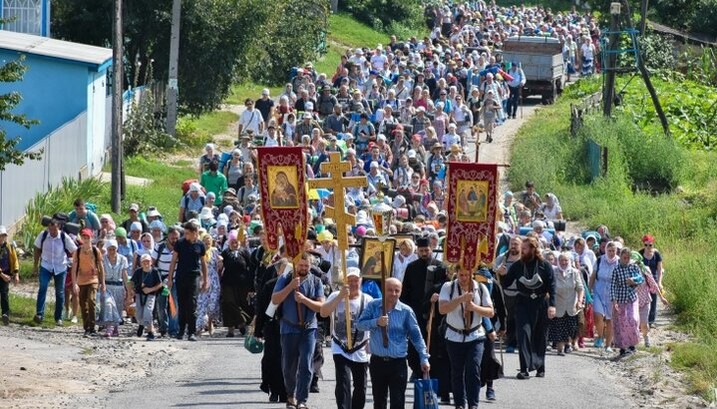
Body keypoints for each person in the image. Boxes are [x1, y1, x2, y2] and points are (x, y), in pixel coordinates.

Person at [356, 277, 430, 409]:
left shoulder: (406, 311)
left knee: (397, 402)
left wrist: (424, 358)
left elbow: (416, 336)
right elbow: (359, 325)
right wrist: (376, 322)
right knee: (379, 401)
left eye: (397, 290)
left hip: (398, 363)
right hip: (377, 362)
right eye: (390, 290)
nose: (393, 293)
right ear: (384, 290)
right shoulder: (373, 306)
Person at [271, 253, 325, 409]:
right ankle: (290, 396)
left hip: (308, 328)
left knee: (306, 365)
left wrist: (304, 300)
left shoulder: (316, 281)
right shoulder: (286, 278)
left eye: (306, 265)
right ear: (296, 265)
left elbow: (321, 307)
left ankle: (302, 399)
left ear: (311, 265)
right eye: (300, 265)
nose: (303, 268)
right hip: (289, 328)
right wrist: (290, 287)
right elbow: (275, 300)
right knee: (289, 365)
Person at [498, 236, 556, 379]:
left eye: (524, 249)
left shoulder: (545, 265)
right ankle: (524, 369)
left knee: (540, 336)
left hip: (541, 303)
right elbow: (506, 284)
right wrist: (502, 275)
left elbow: (552, 286)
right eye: (521, 248)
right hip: (523, 303)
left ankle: (540, 366)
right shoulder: (518, 265)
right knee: (523, 334)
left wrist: (552, 306)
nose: (521, 251)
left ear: (532, 249)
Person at [438, 266, 494, 409]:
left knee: (473, 370)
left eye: (466, 275)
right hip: (454, 336)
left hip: (475, 336)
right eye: (461, 275)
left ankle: (473, 404)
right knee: (457, 372)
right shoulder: (448, 287)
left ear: (472, 274)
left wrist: (474, 307)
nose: (463, 278)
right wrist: (461, 299)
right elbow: (442, 309)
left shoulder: (480, 288)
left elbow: (490, 312)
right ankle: (460, 404)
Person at [320, 268, 373, 409]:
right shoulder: (335, 295)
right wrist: (340, 297)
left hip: (360, 346)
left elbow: (373, 323)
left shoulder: (367, 299)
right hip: (340, 346)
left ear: (361, 281)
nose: (353, 283)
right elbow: (323, 313)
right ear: (345, 281)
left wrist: (371, 343)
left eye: (356, 280)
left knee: (360, 386)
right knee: (343, 381)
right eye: (350, 280)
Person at [400, 236, 447, 382]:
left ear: (431, 249)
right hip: (416, 310)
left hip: (435, 311)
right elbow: (405, 291)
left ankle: (433, 371)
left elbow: (445, 287)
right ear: (417, 251)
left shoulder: (440, 267)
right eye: (421, 251)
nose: (424, 253)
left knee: (433, 343)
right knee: (414, 343)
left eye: (426, 250)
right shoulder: (412, 267)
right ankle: (416, 369)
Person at [33, 214, 78, 325]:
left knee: (60, 292)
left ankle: (58, 317)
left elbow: (74, 250)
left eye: (54, 229)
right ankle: (39, 314)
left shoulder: (64, 237)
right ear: (48, 228)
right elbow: (37, 249)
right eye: (50, 229)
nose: (52, 232)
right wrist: (35, 265)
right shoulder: (43, 235)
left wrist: (72, 261)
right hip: (46, 265)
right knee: (43, 287)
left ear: (59, 228)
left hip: (60, 267)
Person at [167, 222, 209, 341]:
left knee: (192, 304)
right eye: (184, 233)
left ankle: (192, 332)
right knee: (182, 304)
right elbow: (174, 260)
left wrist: (205, 280)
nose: (185, 235)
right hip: (181, 277)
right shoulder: (180, 243)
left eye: (187, 233)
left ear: (195, 233)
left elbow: (204, 263)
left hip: (194, 277)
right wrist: (170, 278)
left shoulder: (200, 245)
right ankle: (181, 330)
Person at [70, 229, 106, 336]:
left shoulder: (95, 251)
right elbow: (74, 267)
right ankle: (87, 327)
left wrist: (102, 282)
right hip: (81, 280)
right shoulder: (78, 251)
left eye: (87, 238)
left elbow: (100, 266)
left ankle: (92, 325)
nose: (85, 240)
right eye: (83, 237)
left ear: (91, 238)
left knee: (92, 300)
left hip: (93, 279)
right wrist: (74, 283)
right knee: (83, 303)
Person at [610, 247, 645, 357]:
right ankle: (622, 347)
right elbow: (613, 286)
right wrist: (614, 300)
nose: (626, 260)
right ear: (620, 257)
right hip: (620, 298)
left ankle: (632, 344)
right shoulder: (616, 269)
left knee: (632, 319)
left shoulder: (634, 266)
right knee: (620, 323)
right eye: (624, 258)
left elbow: (641, 278)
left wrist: (633, 280)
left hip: (631, 297)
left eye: (628, 258)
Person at [547, 252, 584, 355]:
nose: (564, 262)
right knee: (559, 328)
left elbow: (580, 288)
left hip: (571, 304)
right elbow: (549, 287)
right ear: (558, 261)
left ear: (569, 261)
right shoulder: (553, 272)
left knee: (571, 328)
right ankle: (560, 349)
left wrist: (580, 301)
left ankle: (568, 344)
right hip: (558, 304)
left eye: (566, 260)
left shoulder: (575, 272)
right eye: (561, 260)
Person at [220, 230, 254, 337]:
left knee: (242, 304)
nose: (235, 244)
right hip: (228, 282)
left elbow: (251, 267)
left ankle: (242, 324)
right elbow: (221, 267)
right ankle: (236, 325)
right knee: (229, 303)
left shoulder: (244, 252)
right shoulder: (225, 253)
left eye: (236, 242)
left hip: (242, 283)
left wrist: (251, 285)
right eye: (232, 242)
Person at [590, 241, 620, 352]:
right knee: (598, 316)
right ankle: (601, 335)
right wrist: (589, 291)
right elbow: (593, 276)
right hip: (599, 291)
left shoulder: (619, 262)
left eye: (613, 251)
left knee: (610, 320)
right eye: (609, 250)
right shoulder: (599, 260)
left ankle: (607, 345)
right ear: (606, 250)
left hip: (613, 295)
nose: (611, 253)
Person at [494, 236, 522, 352]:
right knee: (509, 319)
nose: (513, 246)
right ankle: (510, 343)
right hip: (506, 292)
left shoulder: (524, 258)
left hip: (521, 293)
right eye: (512, 244)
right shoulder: (503, 257)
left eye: (516, 244)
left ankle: (520, 343)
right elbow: (493, 268)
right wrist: (499, 271)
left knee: (520, 319)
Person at [152, 226, 180, 337]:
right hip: (161, 281)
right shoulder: (159, 247)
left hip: (175, 281)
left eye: (176, 238)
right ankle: (163, 328)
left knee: (174, 306)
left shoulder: (180, 248)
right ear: (167, 236)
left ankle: (173, 330)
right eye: (172, 238)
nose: (174, 240)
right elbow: (152, 263)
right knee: (161, 305)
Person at [131, 253, 164, 340]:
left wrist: (150, 289)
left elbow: (160, 284)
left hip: (150, 295)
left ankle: (150, 332)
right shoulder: (138, 272)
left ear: (151, 262)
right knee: (138, 313)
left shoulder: (155, 271)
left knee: (148, 312)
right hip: (139, 295)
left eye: (148, 261)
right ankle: (141, 325)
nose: (146, 263)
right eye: (144, 261)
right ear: (141, 263)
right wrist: (131, 292)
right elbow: (132, 282)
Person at [196, 233, 222, 336]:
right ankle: (199, 327)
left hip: (214, 280)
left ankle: (210, 322)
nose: (207, 243)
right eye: (205, 241)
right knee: (202, 304)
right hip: (203, 279)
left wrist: (220, 263)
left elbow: (218, 266)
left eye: (209, 241)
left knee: (212, 304)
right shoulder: (199, 252)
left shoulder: (215, 251)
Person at [102, 239, 129, 337]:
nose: (112, 251)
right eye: (110, 249)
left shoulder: (123, 259)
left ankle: (116, 328)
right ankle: (109, 327)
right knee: (108, 305)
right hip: (107, 286)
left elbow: (125, 275)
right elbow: (101, 273)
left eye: (114, 249)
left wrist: (128, 290)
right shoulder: (103, 259)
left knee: (118, 307)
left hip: (119, 286)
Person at [639, 234, 663, 327]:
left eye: (650, 245)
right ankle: (642, 320)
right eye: (646, 245)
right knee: (643, 300)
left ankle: (651, 321)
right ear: (643, 244)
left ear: (653, 244)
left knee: (653, 299)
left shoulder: (656, 254)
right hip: (643, 280)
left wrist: (659, 282)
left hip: (653, 278)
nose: (648, 247)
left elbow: (660, 269)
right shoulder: (640, 254)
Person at [0, 225, 20, 325]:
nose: (1, 238)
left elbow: (15, 260)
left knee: (4, 294)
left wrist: (16, 274)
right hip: (2, 274)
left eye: (3, 236)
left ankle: (5, 314)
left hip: (6, 274)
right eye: (0, 236)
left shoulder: (9, 246)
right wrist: (1, 274)